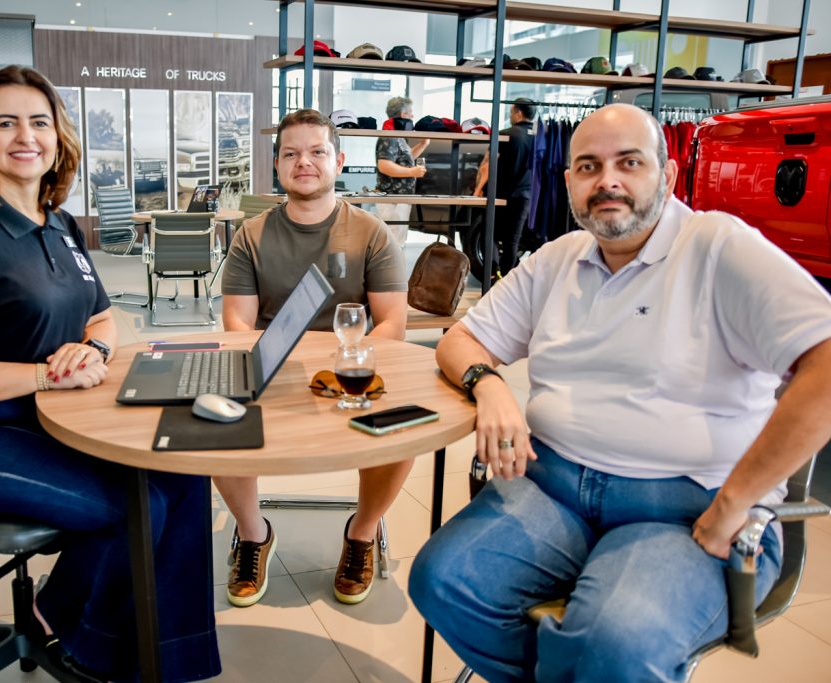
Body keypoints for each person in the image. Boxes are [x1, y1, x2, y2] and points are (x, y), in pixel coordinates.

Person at [408, 103, 831, 682]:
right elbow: (461, 340)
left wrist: (735, 502)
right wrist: (491, 387)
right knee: (443, 580)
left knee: (613, 642)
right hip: (553, 488)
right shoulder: (559, 258)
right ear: (569, 184)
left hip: (689, 510)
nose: (607, 180)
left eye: (629, 162)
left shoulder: (718, 247)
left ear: (668, 173)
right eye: (588, 167)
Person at [0, 65, 220, 683]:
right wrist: (46, 375)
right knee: (139, 505)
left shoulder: (60, 225)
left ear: (57, 136)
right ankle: (83, 640)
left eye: (38, 122)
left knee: (184, 475)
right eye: (6, 122)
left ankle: (172, 660)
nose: (26, 136)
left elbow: (103, 318)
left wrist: (92, 355)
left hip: (50, 418)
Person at [220, 108, 409, 607]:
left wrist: (350, 365)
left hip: (353, 373)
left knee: (406, 426)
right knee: (213, 419)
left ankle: (362, 535)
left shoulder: (370, 233)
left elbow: (392, 323)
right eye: (291, 153)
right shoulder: (252, 236)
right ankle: (253, 534)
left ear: (338, 160)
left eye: (317, 151)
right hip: (272, 371)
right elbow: (238, 325)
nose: (304, 162)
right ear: (277, 165)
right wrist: (281, 368)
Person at [473, 98, 536, 275]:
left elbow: (487, 165)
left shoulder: (505, 134)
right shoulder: (541, 138)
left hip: (501, 195)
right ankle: (507, 280)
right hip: (525, 196)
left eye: (511, 112)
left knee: (489, 232)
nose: (510, 116)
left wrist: (478, 190)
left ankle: (492, 270)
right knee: (513, 240)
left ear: (518, 113)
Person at [374, 96, 428, 247]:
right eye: (410, 112)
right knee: (393, 244)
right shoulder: (390, 136)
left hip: (399, 198)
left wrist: (423, 144)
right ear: (403, 115)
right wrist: (413, 172)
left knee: (397, 242)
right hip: (393, 199)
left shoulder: (398, 136)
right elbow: (384, 165)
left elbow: (406, 158)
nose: (413, 116)